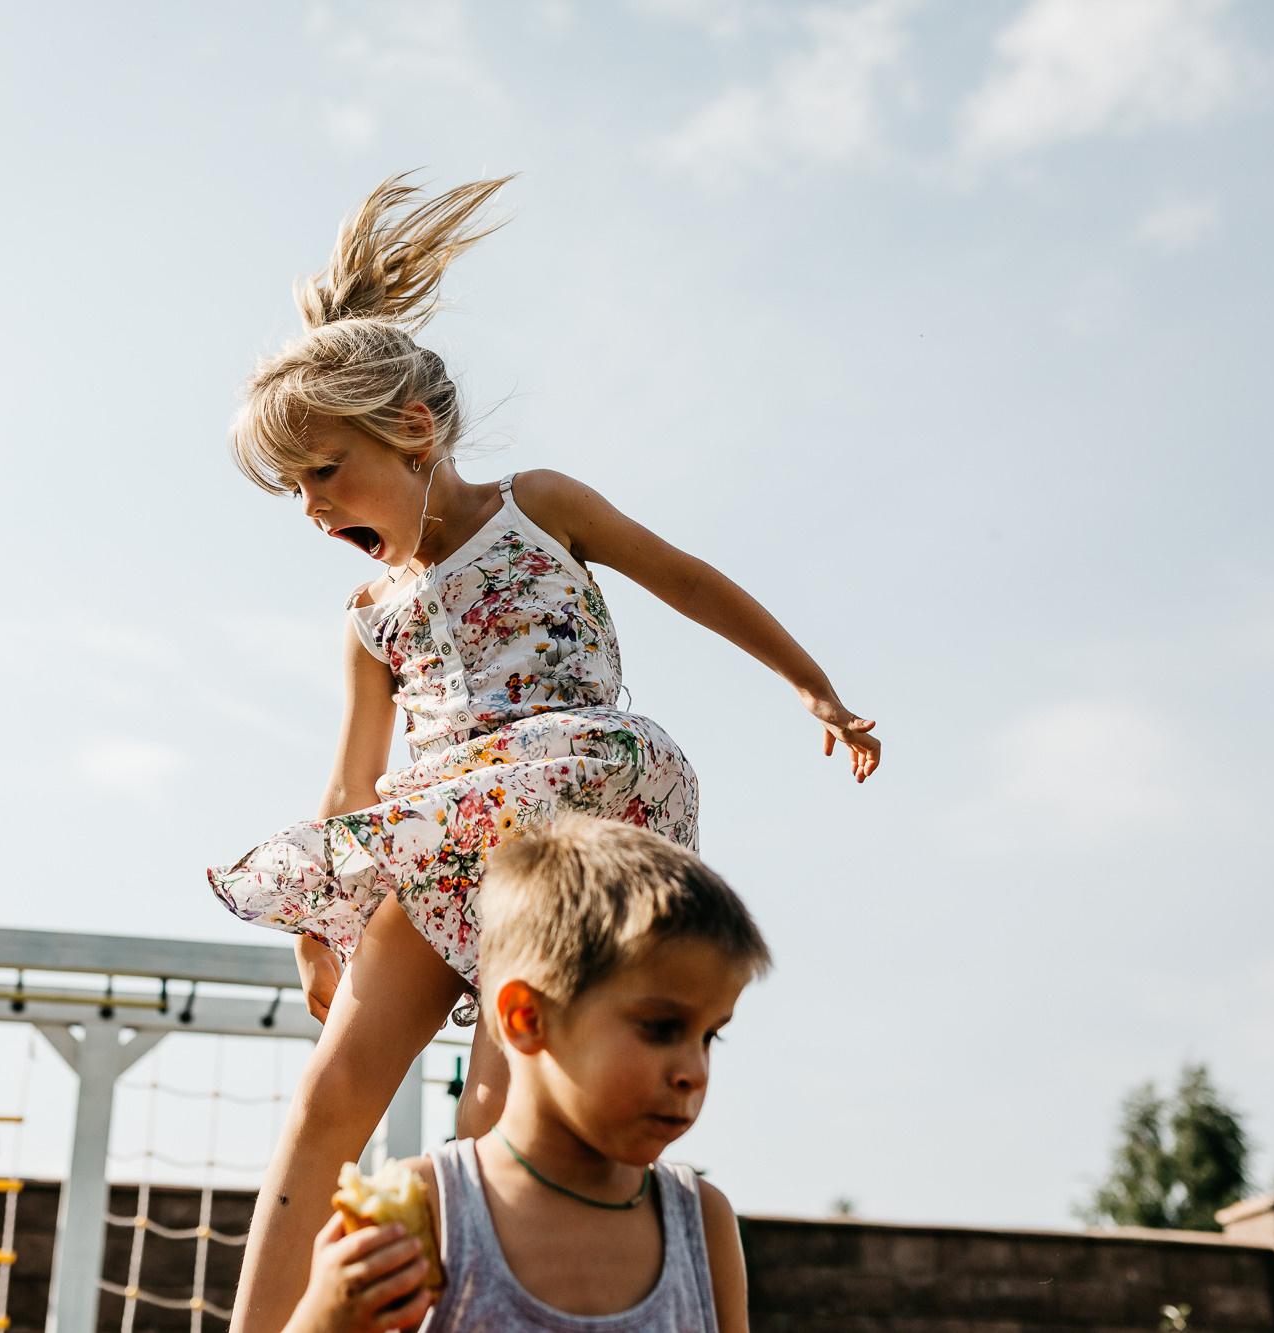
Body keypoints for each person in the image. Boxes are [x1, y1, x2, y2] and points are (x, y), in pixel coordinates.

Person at [207, 174, 878, 1332]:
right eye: (293, 491)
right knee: (328, 1098)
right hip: (443, 842)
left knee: (497, 1125)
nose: (312, 511)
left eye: (325, 473)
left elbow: (684, 578)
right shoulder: (372, 611)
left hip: (565, 824)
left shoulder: (538, 505)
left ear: (410, 432)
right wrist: (322, 929)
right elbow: (352, 787)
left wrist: (810, 682)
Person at [285, 816, 771, 1333]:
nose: (694, 1072)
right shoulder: (427, 1210)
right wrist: (324, 1317)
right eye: (660, 1028)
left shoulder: (701, 1225)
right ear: (526, 1018)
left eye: (710, 1036)